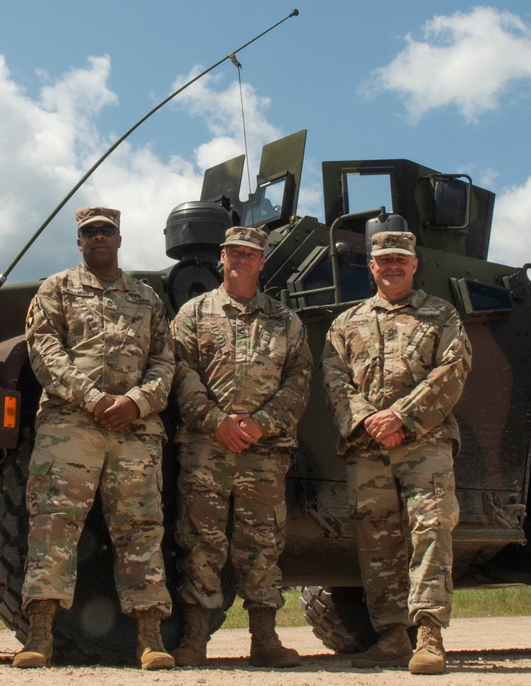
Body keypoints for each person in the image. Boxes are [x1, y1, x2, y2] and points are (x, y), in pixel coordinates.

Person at [13, 206, 176, 670]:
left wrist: (136, 403)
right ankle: (38, 635)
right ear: (79, 242)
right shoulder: (56, 290)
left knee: (141, 529)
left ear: (120, 239)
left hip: (134, 431)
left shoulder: (147, 299)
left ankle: (149, 637)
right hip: (70, 426)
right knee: (53, 525)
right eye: (89, 232)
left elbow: (165, 362)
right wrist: (93, 398)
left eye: (106, 231)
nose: (99, 238)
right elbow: (44, 353)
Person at [321, 230, 471, 675]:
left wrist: (402, 417)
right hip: (368, 448)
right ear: (371, 266)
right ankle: (391, 636)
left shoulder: (441, 315)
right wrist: (370, 418)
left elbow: (454, 369)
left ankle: (429, 636)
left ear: (413, 265)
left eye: (399, 259)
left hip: (424, 443)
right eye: (383, 259)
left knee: (430, 531)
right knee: (376, 541)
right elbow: (334, 379)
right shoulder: (347, 323)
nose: (391, 266)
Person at [170, 226, 313, 668]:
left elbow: (299, 379)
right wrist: (217, 422)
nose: (241, 260)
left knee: (263, 543)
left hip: (264, 451)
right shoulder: (193, 314)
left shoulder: (285, 320)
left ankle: (264, 640)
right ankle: (194, 639)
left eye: (250, 254)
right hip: (206, 447)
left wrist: (261, 423)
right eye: (234, 252)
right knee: (200, 541)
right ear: (221, 257)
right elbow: (180, 372)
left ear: (261, 261)